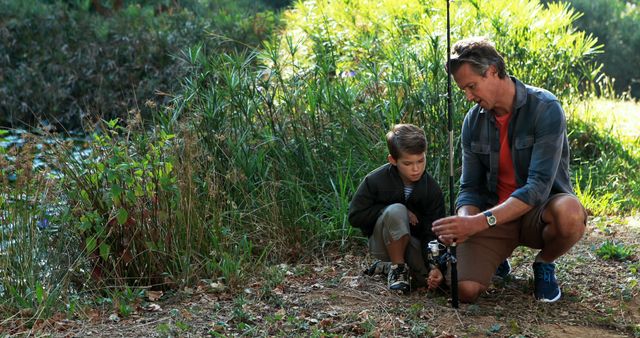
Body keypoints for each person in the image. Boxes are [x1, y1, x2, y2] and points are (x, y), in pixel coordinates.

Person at [432, 37, 587, 303]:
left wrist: (478, 222)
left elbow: (538, 188)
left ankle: (544, 263)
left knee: (570, 213)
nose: (468, 97)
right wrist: (464, 222)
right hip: (493, 213)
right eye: (463, 91)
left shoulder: (546, 108)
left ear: (493, 71)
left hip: (536, 212)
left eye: (472, 86)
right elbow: (469, 188)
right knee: (464, 290)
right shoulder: (472, 122)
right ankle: (497, 257)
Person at [349, 124, 446, 293]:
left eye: (420, 161)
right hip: (382, 241)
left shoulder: (432, 189)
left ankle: (388, 267)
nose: (416, 169)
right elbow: (355, 216)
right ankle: (397, 269)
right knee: (396, 210)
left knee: (429, 281)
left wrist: (434, 266)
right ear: (392, 160)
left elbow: (432, 232)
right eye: (408, 163)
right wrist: (387, 209)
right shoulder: (374, 180)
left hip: (413, 242)